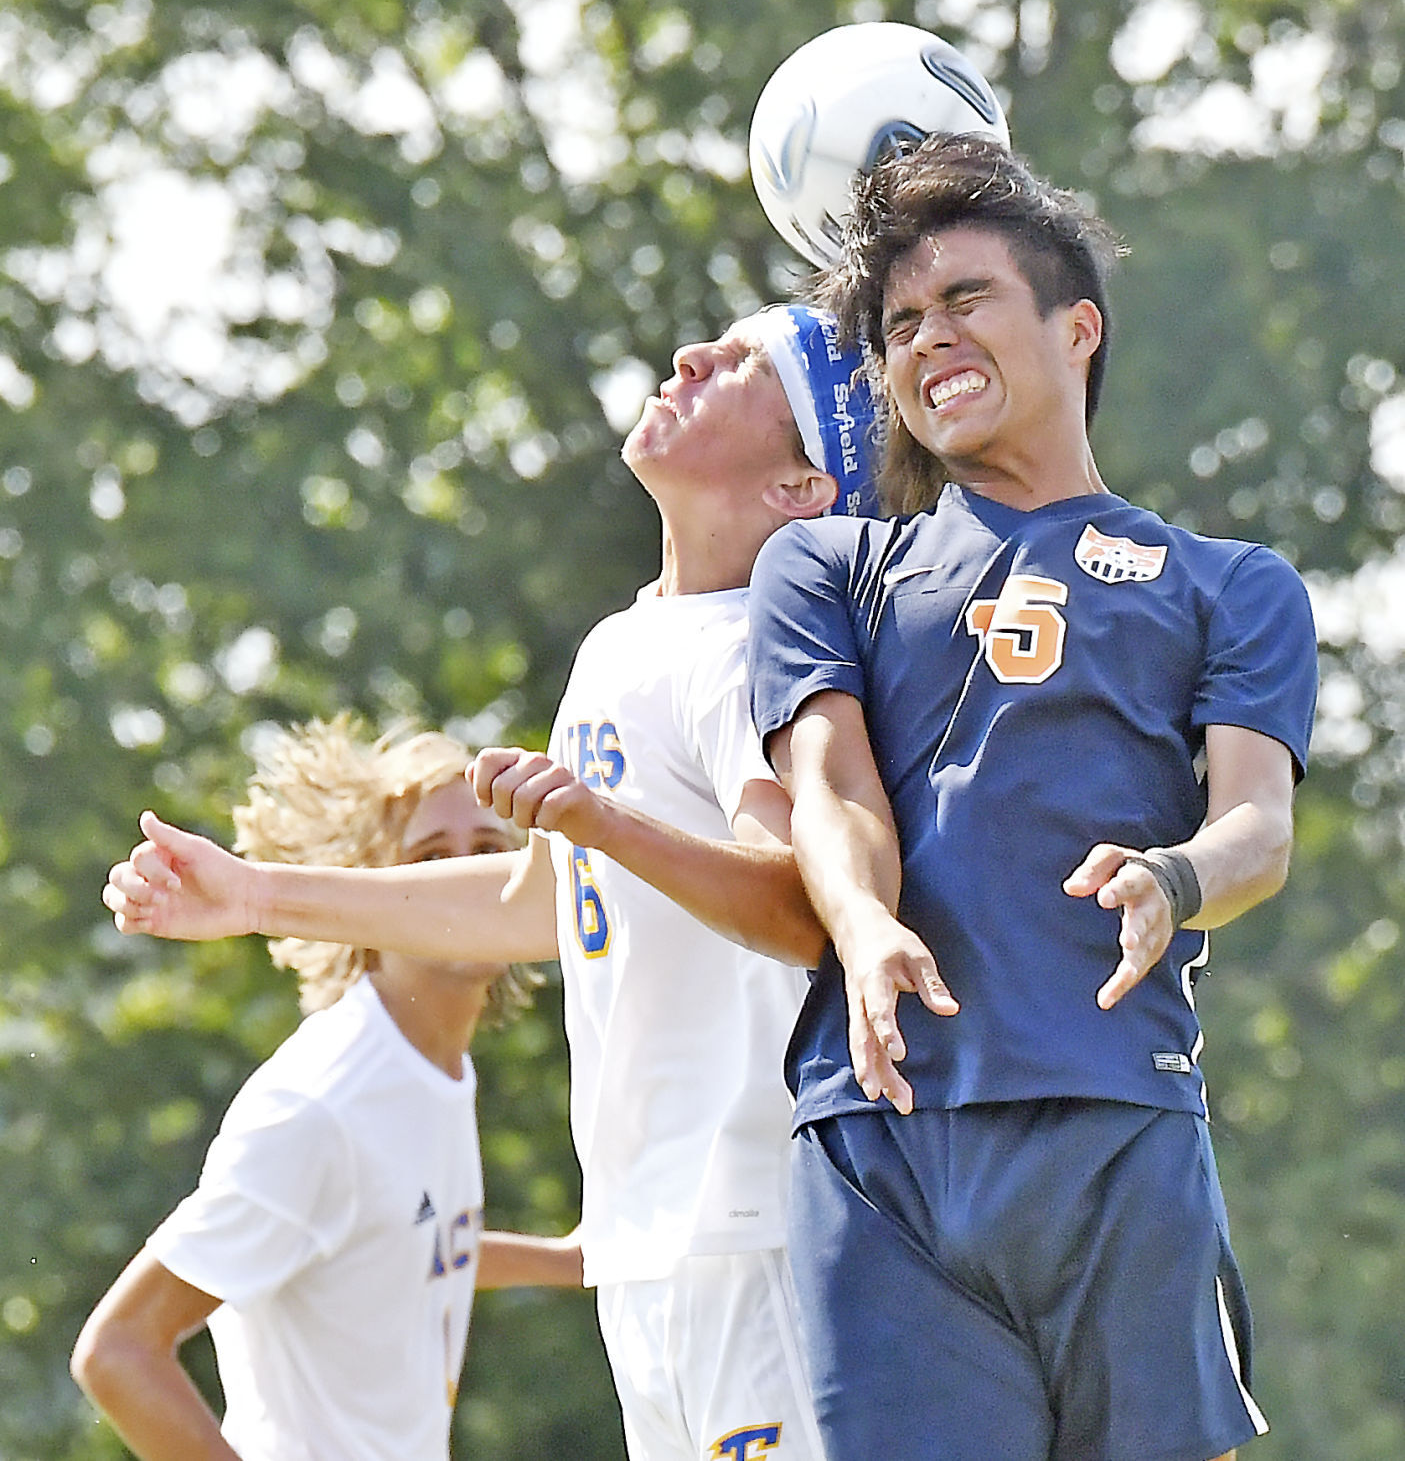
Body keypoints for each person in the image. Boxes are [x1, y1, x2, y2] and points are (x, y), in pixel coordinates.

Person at [99, 307, 879, 1461]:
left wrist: (600, 823)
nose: (691, 358)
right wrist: (258, 894)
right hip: (649, 1244)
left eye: (750, 366)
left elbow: (805, 909)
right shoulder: (621, 644)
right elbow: (539, 904)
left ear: (801, 488)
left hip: (748, 1230)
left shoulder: (745, 650)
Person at [745, 133, 1319, 1461]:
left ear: (1076, 327)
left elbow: (1256, 828)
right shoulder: (827, 567)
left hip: (1112, 1116)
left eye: (963, 300)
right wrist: (862, 920)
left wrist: (1173, 878)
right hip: (881, 1137)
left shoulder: (1230, 584)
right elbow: (831, 786)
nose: (925, 338)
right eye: (897, 324)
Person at [73, 717, 582, 1461]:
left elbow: (400, 1236)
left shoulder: (429, 1065)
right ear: (371, 894)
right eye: (429, 859)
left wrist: (569, 1260)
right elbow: (118, 1352)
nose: (460, 878)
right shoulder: (321, 1106)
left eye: (484, 855)